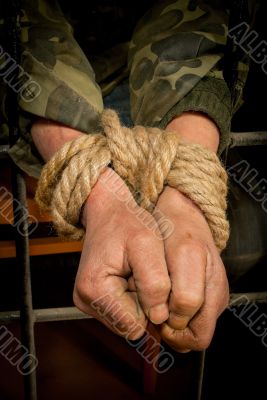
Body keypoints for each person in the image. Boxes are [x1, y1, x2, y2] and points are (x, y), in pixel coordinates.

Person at [1, 0, 264, 353]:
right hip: (52, 75)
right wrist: (100, 196)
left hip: (160, 70)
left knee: (243, 243)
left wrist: (186, 198)